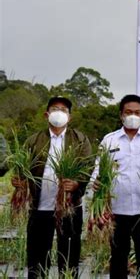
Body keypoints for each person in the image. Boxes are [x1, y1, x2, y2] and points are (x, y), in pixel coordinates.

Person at [12, 96, 92, 278]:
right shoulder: (33, 140)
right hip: (39, 207)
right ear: (46, 114)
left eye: (64, 110)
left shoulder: (80, 139)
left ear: (70, 117)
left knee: (69, 255)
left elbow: (88, 167)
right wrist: (19, 182)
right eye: (55, 109)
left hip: (69, 208)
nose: (59, 113)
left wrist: (77, 183)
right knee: (37, 257)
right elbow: (21, 168)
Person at [92, 94, 140, 278]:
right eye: (128, 112)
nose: (133, 115)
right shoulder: (109, 140)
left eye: (137, 112)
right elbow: (97, 170)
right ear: (121, 115)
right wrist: (96, 182)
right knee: (118, 256)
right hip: (117, 210)